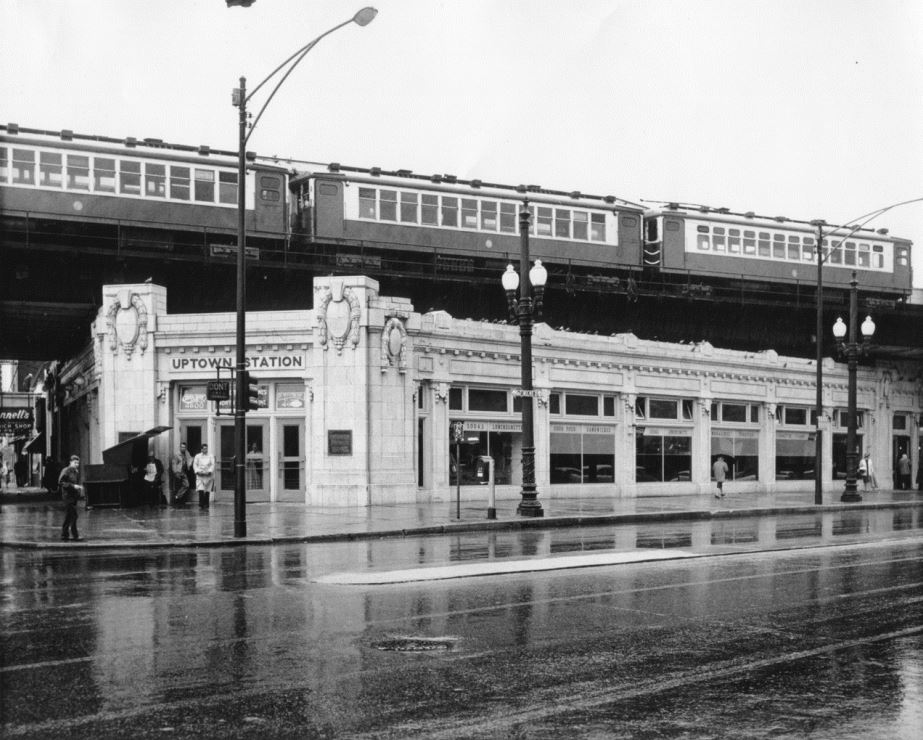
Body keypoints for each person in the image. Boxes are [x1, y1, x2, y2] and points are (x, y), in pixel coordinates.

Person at [58, 455, 83, 541]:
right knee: (74, 515)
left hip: (73, 497)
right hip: (67, 496)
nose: (77, 464)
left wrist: (78, 489)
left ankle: (64, 534)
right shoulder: (66, 470)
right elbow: (61, 482)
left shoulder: (75, 471)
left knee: (69, 516)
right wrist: (73, 486)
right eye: (75, 462)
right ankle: (75, 535)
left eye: (78, 463)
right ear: (70, 462)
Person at [170, 442, 193, 507]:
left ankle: (177, 497)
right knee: (178, 486)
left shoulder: (186, 453)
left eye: (184, 447)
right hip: (178, 472)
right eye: (182, 447)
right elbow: (174, 464)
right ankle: (177, 501)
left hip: (183, 472)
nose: (183, 448)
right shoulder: (177, 454)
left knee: (186, 485)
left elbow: (190, 459)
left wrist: (190, 462)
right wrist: (175, 472)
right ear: (180, 447)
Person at [193, 443, 215, 509]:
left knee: (207, 491)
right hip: (200, 475)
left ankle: (206, 504)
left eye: (206, 448)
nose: (205, 450)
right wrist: (197, 471)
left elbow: (212, 464)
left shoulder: (211, 456)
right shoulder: (197, 456)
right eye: (204, 449)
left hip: (208, 475)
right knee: (201, 489)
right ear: (201, 449)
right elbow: (195, 464)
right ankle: (201, 504)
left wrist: (210, 471)